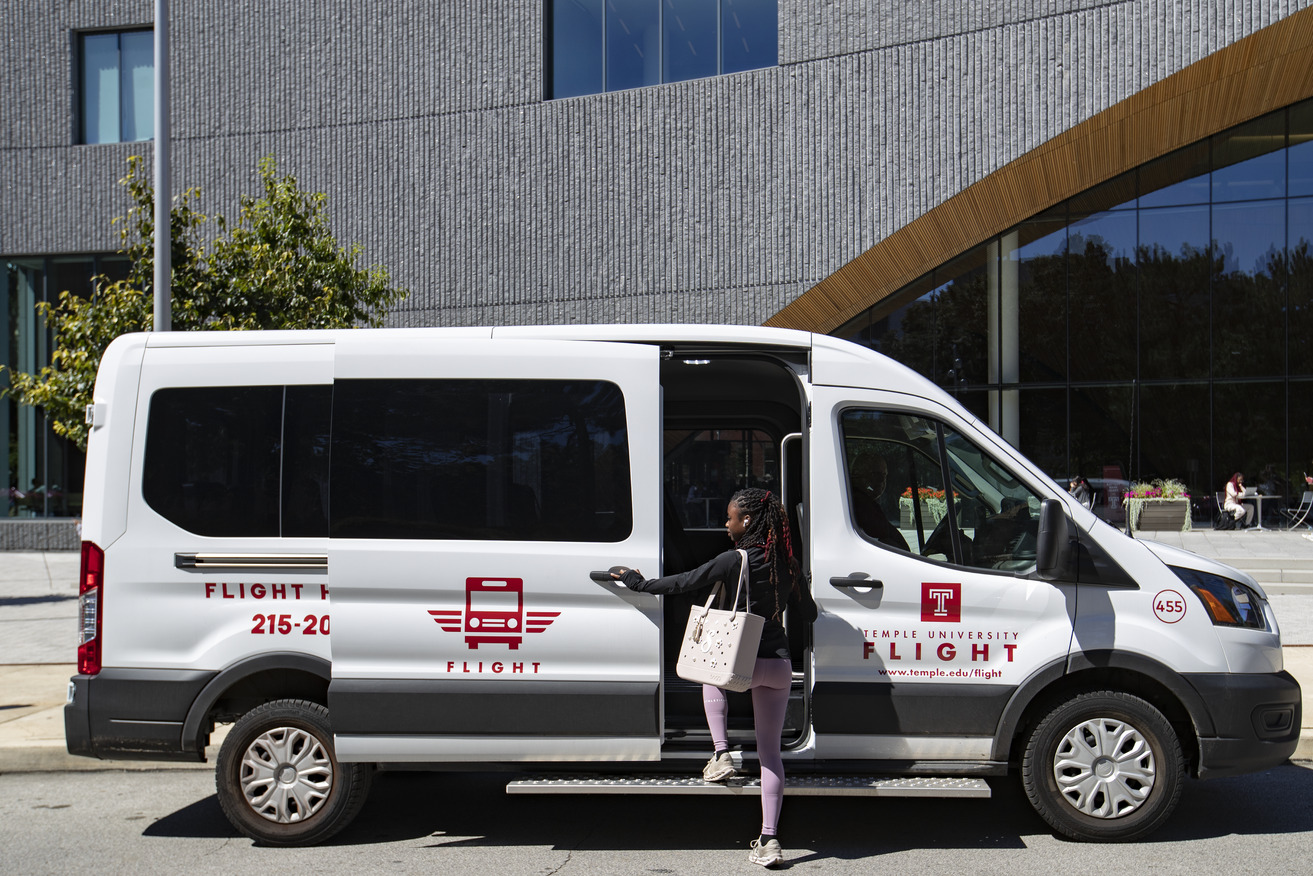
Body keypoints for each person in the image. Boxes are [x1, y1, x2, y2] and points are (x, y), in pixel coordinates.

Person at [611, 488, 814, 869]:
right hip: (779, 667)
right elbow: (810, 613)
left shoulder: (731, 559)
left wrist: (636, 582)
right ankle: (770, 840)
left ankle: (721, 754)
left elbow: (681, 583)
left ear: (747, 521)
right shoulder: (786, 563)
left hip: (741, 663)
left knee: (708, 672)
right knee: (771, 755)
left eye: (730, 517)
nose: (726, 524)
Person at [848, 452, 911, 551]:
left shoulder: (864, 501)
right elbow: (880, 534)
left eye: (884, 475)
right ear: (857, 475)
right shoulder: (861, 505)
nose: (882, 480)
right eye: (875, 474)